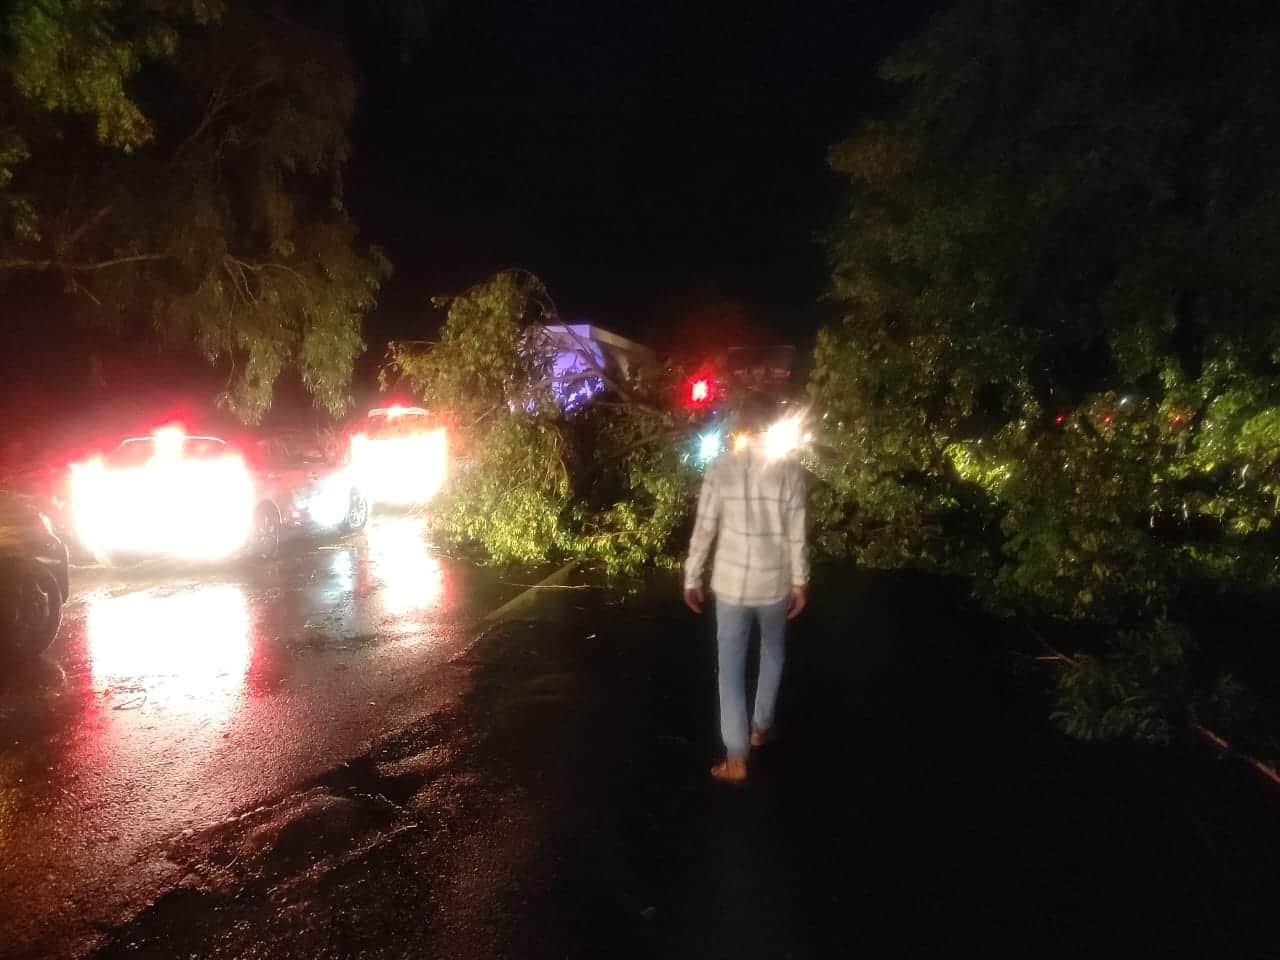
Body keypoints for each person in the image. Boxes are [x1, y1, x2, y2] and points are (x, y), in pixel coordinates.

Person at [683, 393, 808, 783]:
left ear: (739, 427)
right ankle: (760, 727)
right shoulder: (790, 471)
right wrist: (800, 580)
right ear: (769, 427)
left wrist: (691, 577)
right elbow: (797, 533)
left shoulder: (721, 468)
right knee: (773, 652)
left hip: (732, 587)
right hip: (773, 584)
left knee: (731, 670)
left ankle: (736, 758)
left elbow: (704, 528)